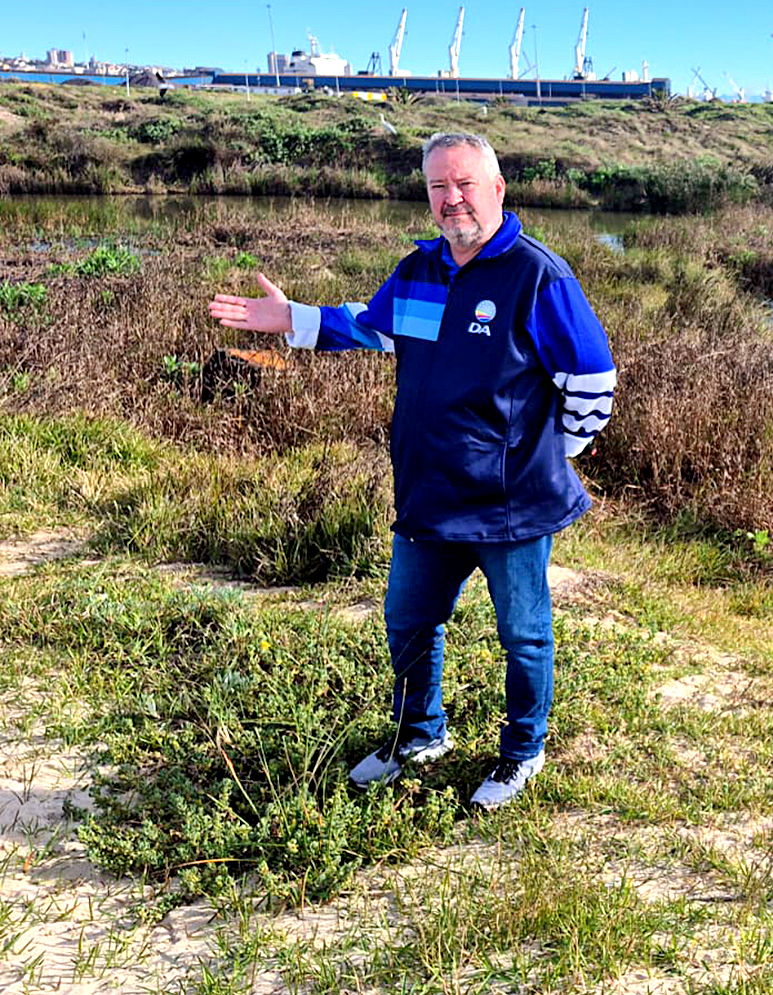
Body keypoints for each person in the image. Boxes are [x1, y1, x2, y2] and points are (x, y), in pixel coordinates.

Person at [208, 131, 615, 809]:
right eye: (438, 187)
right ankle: (420, 734)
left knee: (522, 631)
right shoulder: (422, 271)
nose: (452, 199)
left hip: (510, 504)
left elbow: (592, 380)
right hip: (429, 493)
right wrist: (291, 318)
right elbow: (371, 327)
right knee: (408, 618)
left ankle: (523, 751)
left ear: (497, 189)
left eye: (464, 184)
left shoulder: (537, 275)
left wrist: (553, 451)